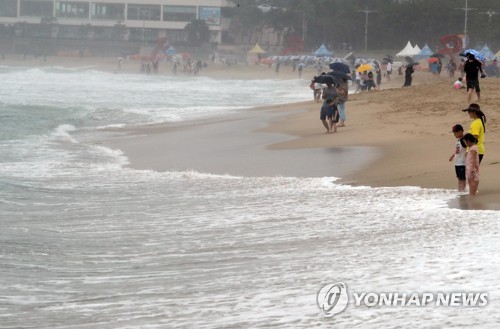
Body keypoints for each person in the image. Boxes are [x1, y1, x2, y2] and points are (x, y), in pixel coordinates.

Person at [449, 124, 467, 192]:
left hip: (462, 163)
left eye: (455, 132)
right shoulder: (458, 140)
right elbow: (458, 150)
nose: (454, 134)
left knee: (462, 179)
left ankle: (463, 191)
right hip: (457, 163)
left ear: (460, 131)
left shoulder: (463, 140)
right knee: (459, 178)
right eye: (454, 133)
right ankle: (460, 191)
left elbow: (469, 146)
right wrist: (453, 155)